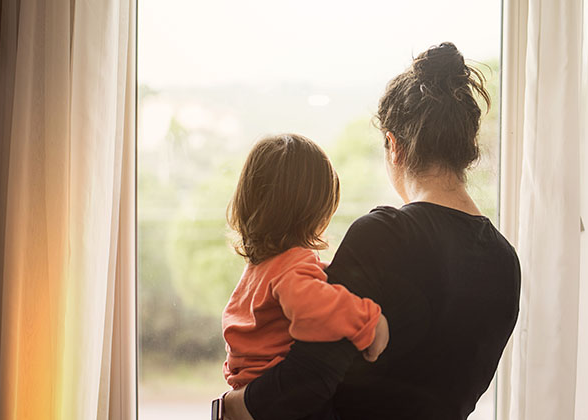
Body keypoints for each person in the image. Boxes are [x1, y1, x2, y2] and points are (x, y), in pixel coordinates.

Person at [223, 42, 521, 420]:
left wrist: (226, 407)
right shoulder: (505, 261)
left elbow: (306, 382)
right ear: (466, 149)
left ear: (393, 146)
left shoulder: (385, 236)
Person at [219, 134, 390, 415]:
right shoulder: (292, 266)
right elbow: (317, 308)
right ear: (315, 213)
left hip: (252, 393)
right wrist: (368, 321)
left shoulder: (259, 268)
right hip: (285, 404)